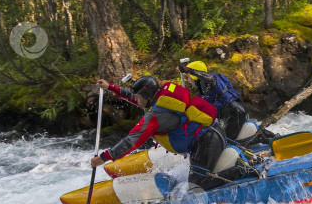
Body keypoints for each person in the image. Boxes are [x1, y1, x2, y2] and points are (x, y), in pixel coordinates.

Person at [90, 76, 256, 190]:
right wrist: (111, 87)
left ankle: (242, 171)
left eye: (138, 96)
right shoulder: (161, 98)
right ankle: (240, 162)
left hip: (206, 141)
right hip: (210, 133)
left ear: (147, 95)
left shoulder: (154, 116)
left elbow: (132, 140)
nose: (136, 100)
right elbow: (135, 97)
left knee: (197, 185)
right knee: (200, 177)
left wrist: (105, 157)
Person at [179, 61, 276, 144]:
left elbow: (207, 77)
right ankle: (271, 138)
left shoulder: (210, 79)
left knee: (225, 141)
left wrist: (189, 70)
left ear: (194, 75)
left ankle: (267, 141)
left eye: (188, 77)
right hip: (233, 112)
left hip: (233, 111)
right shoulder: (204, 90)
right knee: (230, 137)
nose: (187, 80)